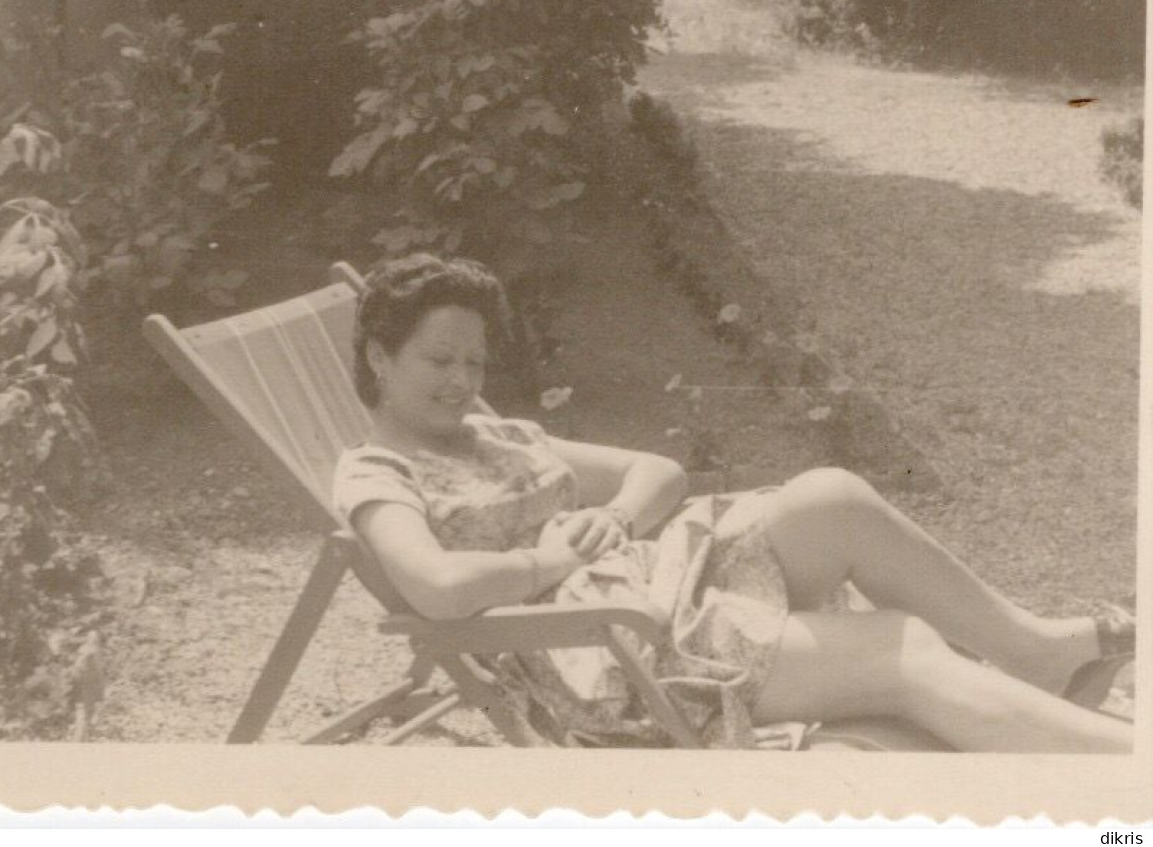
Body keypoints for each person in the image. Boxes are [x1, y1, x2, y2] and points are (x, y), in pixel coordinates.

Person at [332, 254, 1136, 751]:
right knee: (895, 647)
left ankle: (1028, 649)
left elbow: (658, 470)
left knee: (831, 496)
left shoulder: (491, 430)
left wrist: (613, 518)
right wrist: (545, 559)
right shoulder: (379, 474)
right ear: (379, 355)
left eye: (474, 360)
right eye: (440, 360)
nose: (463, 381)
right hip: (598, 651)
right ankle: (1123, 775)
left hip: (653, 578)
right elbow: (433, 586)